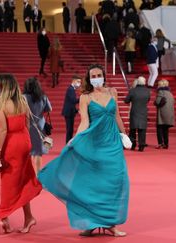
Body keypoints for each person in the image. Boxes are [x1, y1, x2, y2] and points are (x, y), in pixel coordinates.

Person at [38, 64, 129, 237]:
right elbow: (85, 122)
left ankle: (110, 224)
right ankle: (91, 222)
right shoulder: (85, 97)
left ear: (104, 75)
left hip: (113, 144)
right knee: (94, 183)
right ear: (89, 78)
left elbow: (117, 115)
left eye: (99, 75)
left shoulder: (113, 92)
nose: (96, 78)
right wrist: (76, 139)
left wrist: (124, 135)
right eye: (93, 76)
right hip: (94, 144)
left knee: (114, 182)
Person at [0, 74, 42, 234]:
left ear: (3, 87)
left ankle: (4, 216)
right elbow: (26, 124)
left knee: (9, 181)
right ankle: (28, 217)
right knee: (23, 179)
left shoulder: (1, 105)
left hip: (12, 144)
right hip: (25, 141)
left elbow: (4, 130)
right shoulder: (22, 101)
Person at [23, 77, 52, 174]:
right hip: (40, 126)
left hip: (27, 127)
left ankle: (31, 175)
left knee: (31, 151)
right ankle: (38, 174)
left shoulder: (23, 97)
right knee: (38, 152)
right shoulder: (43, 97)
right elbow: (49, 109)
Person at [124, 76, 150, 151]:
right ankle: (141, 145)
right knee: (142, 130)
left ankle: (133, 144)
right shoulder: (147, 91)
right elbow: (148, 99)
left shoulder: (133, 90)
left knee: (132, 130)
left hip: (134, 112)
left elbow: (126, 101)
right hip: (143, 112)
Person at [154, 79, 175, 149]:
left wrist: (155, 102)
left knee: (159, 128)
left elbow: (157, 102)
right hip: (169, 113)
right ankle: (166, 144)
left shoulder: (160, 92)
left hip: (162, 113)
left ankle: (160, 143)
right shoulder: (170, 93)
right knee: (166, 129)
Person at [61, 75, 81, 143]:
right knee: (69, 130)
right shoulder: (70, 89)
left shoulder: (72, 89)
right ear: (74, 81)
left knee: (70, 130)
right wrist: (82, 98)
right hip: (68, 113)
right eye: (78, 81)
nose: (79, 84)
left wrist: (76, 110)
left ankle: (68, 144)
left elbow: (71, 103)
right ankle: (68, 144)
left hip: (70, 112)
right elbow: (73, 100)